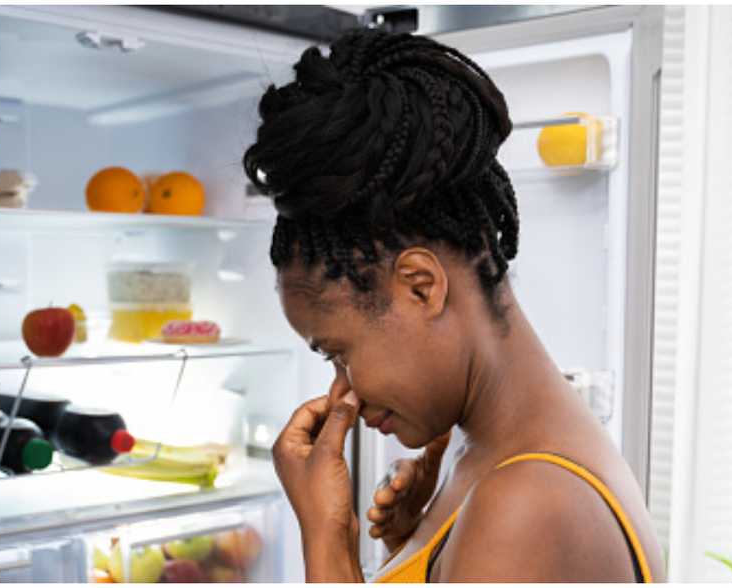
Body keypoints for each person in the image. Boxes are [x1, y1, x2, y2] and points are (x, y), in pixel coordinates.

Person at [242, 28, 665, 582]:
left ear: (421, 285)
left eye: (338, 353)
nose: (343, 392)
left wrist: (328, 539)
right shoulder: (498, 459)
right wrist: (414, 550)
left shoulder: (526, 506)